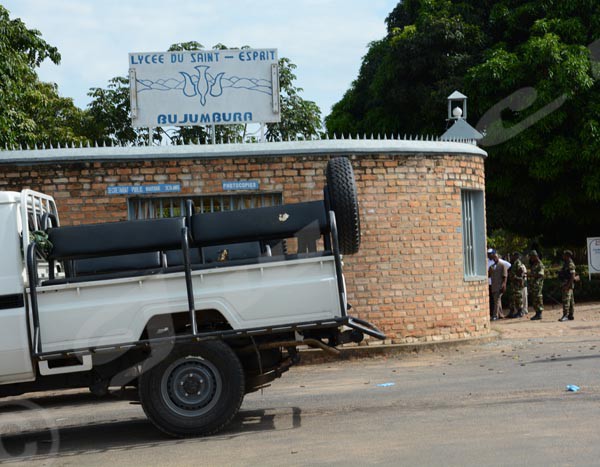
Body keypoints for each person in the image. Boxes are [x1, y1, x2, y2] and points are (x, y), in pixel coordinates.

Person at [489, 251, 509, 320]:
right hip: (493, 286)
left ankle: (495, 315)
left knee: (496, 300)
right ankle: (501, 314)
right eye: (493, 258)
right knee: (497, 300)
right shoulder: (491, 267)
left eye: (495, 257)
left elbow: (505, 276)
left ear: (498, 257)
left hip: (499, 285)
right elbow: (489, 275)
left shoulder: (502, 265)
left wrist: (504, 284)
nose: (494, 259)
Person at [558, 250, 576, 322]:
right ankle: (570, 315)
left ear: (567, 256)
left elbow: (572, 276)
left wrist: (567, 286)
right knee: (571, 300)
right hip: (566, 284)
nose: (563, 256)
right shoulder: (566, 263)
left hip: (567, 285)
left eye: (564, 255)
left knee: (566, 300)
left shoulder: (570, 264)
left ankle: (565, 315)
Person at [507, 252, 526, 318]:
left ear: (516, 256)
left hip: (517, 284)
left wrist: (517, 278)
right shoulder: (513, 263)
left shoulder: (518, 263)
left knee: (518, 298)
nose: (512, 257)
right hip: (513, 284)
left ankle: (520, 312)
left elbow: (521, 274)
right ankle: (512, 311)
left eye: (513, 256)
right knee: (512, 298)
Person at [528, 250, 545, 320]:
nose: (531, 259)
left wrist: (531, 275)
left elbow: (541, 274)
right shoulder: (534, 264)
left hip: (538, 285)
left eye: (532, 257)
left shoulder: (540, 265)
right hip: (533, 285)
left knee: (538, 298)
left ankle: (539, 313)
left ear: (535, 256)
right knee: (534, 299)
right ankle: (537, 312)